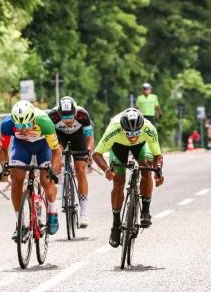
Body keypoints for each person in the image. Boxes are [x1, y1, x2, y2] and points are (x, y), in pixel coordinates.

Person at [92, 108, 164, 248]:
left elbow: (157, 155)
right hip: (118, 146)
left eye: (136, 133)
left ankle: (145, 211)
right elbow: (97, 154)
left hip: (141, 146)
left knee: (146, 169)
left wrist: (158, 173)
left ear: (141, 128)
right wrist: (106, 170)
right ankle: (116, 223)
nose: (132, 137)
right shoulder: (114, 129)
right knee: (118, 181)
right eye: (129, 134)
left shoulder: (149, 128)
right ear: (122, 129)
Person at [0, 100, 62, 240]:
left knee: (47, 181)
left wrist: (53, 169)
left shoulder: (44, 122)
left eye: (27, 124)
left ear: (33, 119)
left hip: (43, 147)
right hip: (22, 147)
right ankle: (21, 224)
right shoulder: (7, 124)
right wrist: (5, 167)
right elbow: (3, 149)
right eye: (19, 125)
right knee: (16, 182)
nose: (23, 129)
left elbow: (56, 151)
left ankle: (52, 211)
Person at [47, 96, 95, 228]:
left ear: (75, 112)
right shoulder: (52, 116)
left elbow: (89, 137)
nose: (68, 120)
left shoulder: (82, 115)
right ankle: (53, 201)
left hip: (78, 136)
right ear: (59, 113)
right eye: (64, 117)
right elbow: (49, 139)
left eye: (70, 116)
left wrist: (88, 151)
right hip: (59, 136)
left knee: (80, 170)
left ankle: (84, 213)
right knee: (55, 162)